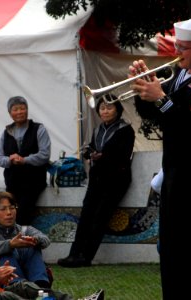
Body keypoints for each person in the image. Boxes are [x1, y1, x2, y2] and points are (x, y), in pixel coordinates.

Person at [129, 17, 191, 299]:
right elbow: (160, 118)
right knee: (170, 251)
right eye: (177, 45)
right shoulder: (181, 74)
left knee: (189, 250)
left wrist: (161, 98)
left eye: (184, 47)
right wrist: (144, 90)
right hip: (174, 175)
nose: (177, 52)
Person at [58, 95, 135, 268]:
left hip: (116, 179)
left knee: (100, 217)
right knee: (86, 215)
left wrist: (103, 156)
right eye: (102, 108)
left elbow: (123, 156)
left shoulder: (126, 130)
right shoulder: (98, 129)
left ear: (117, 109)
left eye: (109, 107)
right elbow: (94, 148)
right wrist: (89, 152)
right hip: (98, 178)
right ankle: (73, 254)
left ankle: (85, 257)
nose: (105, 111)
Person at [0, 191, 51, 289]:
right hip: (0, 278)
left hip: (29, 275)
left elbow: (46, 239)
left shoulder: (24, 229)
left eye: (12, 208)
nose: (9, 213)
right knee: (6, 253)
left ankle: (41, 286)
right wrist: (10, 244)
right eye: (3, 209)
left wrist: (35, 240)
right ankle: (18, 288)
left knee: (33, 248)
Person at [0, 96, 51, 225]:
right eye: (15, 109)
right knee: (10, 218)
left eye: (22, 108)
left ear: (27, 110)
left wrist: (24, 160)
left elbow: (44, 155)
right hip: (12, 184)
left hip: (33, 183)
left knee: (22, 217)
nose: (19, 112)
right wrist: (10, 160)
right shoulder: (6, 132)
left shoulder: (39, 129)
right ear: (10, 113)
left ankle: (24, 243)